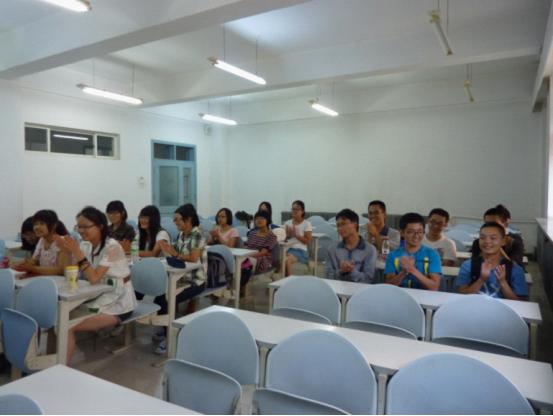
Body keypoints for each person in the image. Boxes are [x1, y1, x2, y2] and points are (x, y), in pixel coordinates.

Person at [54, 206, 137, 364]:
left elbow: (94, 278)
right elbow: (71, 273)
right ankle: (55, 361)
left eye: (86, 226)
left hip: (119, 302)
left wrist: (77, 252)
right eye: (79, 226)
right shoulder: (85, 245)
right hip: (98, 294)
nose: (81, 231)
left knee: (66, 325)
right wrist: (66, 251)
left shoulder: (112, 247)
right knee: (60, 316)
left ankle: (61, 369)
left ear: (100, 226)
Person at [157, 204, 206, 354]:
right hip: (179, 277)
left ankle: (170, 338)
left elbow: (193, 258)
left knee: (166, 300)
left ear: (188, 219)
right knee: (159, 298)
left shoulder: (197, 234)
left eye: (177, 219)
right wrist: (167, 250)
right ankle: (167, 329)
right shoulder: (181, 235)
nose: (175, 222)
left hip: (195, 280)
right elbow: (176, 255)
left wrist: (174, 253)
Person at [455, 222, 528, 300]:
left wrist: (503, 282)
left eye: (493, 238)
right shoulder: (468, 265)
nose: (487, 241)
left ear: (503, 241)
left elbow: (520, 302)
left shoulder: (515, 269)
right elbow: (461, 294)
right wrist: (481, 280)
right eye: (482, 238)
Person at [385, 212, 441, 290]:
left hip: (423, 296)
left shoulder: (432, 254)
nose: (416, 235)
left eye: (420, 232)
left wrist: (412, 270)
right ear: (402, 233)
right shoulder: (393, 255)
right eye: (411, 232)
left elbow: (434, 287)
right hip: (399, 295)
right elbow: (388, 287)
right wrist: (403, 272)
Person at [13, 209, 70, 276]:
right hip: (47, 278)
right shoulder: (42, 240)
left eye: (42, 223)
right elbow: (34, 261)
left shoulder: (63, 242)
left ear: (54, 225)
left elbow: (61, 270)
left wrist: (32, 268)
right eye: (35, 224)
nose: (37, 227)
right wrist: (21, 265)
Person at [326, 209, 377, 283]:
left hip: (360, 289)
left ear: (355, 224)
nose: (340, 228)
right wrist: (341, 271)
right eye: (338, 225)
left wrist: (352, 271)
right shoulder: (332, 249)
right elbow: (328, 276)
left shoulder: (370, 250)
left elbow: (368, 279)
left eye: (343, 224)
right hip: (338, 289)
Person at [242, 210, 278, 286]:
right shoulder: (252, 233)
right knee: (235, 263)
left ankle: (240, 287)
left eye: (262, 218)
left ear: (267, 220)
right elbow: (246, 246)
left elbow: (263, 253)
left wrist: (246, 256)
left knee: (244, 263)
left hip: (262, 259)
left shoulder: (271, 236)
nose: (259, 220)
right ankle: (238, 286)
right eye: (257, 218)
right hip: (249, 256)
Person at [284, 200, 312, 276]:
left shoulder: (307, 224)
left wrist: (296, 235)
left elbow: (308, 241)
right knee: (279, 258)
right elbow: (284, 240)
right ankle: (281, 279)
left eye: (297, 209)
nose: (295, 211)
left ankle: (289, 280)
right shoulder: (287, 223)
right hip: (287, 249)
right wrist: (288, 236)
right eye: (293, 209)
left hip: (300, 250)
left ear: (302, 211)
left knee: (287, 259)